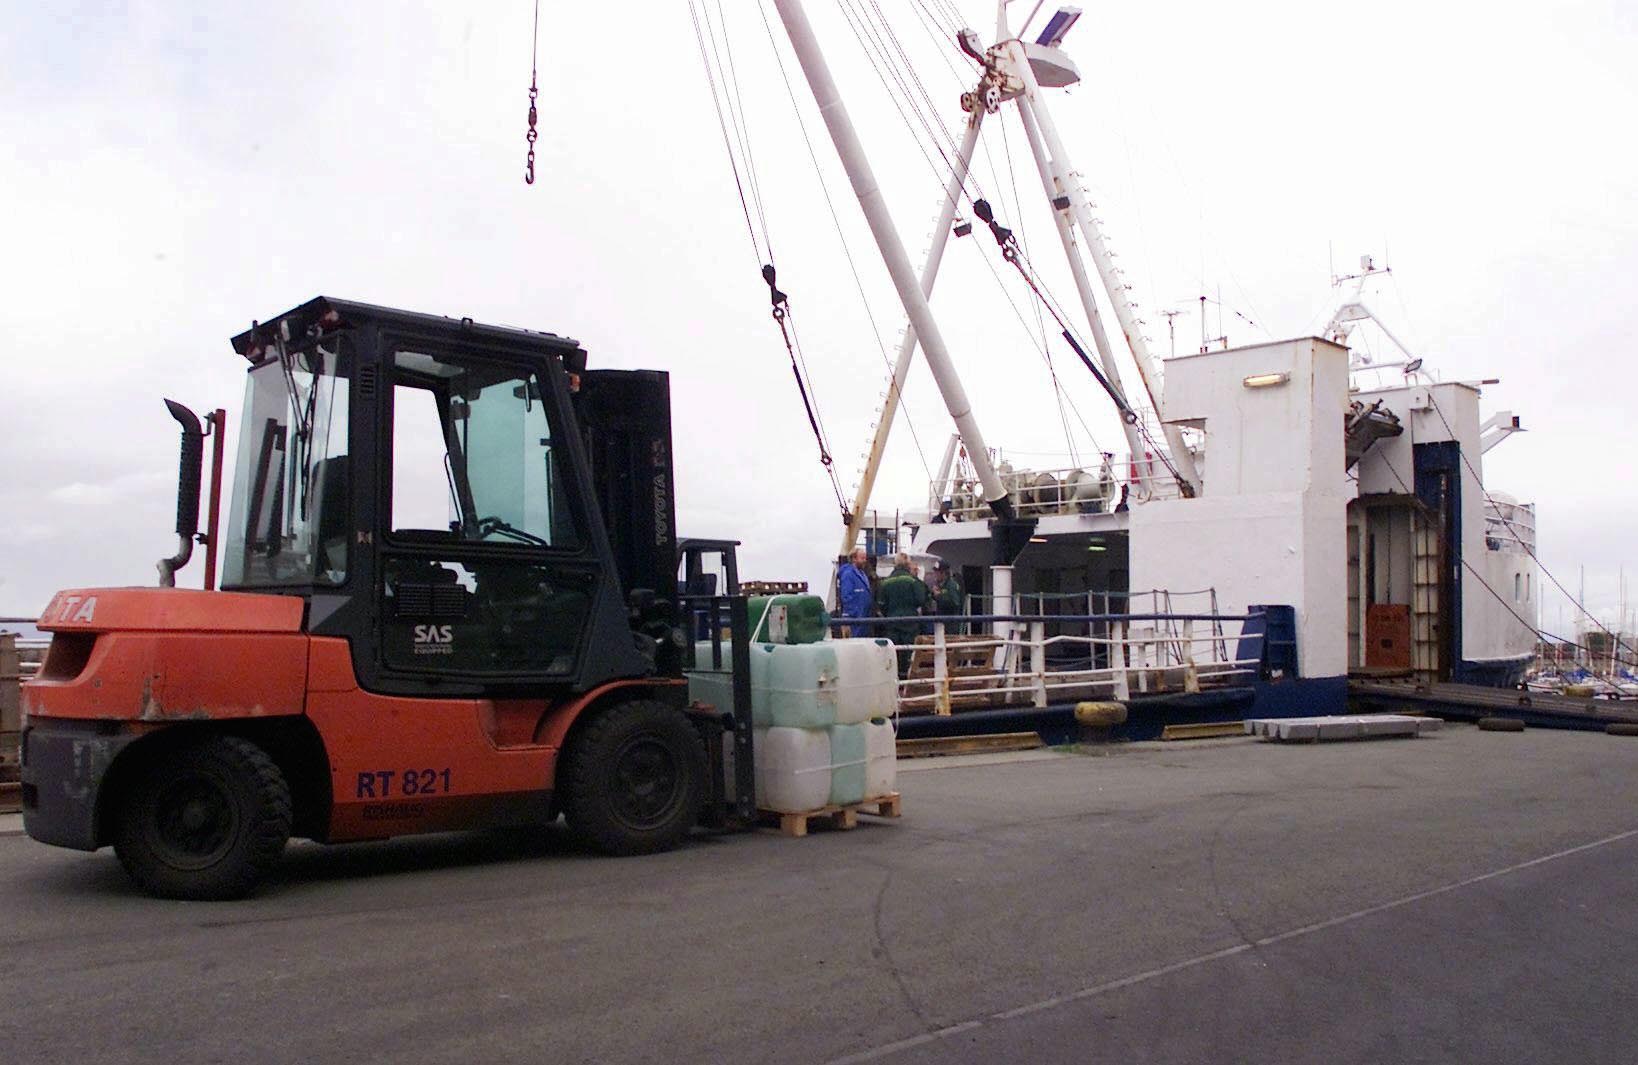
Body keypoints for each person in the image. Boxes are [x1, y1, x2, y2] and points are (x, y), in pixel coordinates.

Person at [875, 552, 930, 677]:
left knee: (894, 653)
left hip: (892, 622)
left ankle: (895, 678)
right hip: (910, 623)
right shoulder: (912, 581)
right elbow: (921, 599)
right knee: (909, 653)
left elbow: (881, 604)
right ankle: (908, 679)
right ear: (908, 564)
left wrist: (889, 612)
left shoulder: (886, 582)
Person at [837, 547, 875, 637]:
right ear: (854, 559)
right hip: (855, 619)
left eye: (865, 558)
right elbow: (846, 596)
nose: (865, 561)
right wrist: (854, 613)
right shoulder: (848, 574)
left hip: (863, 617)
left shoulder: (862, 574)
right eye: (862, 558)